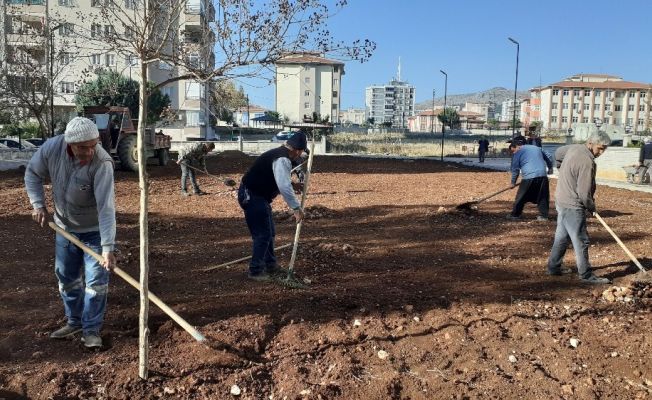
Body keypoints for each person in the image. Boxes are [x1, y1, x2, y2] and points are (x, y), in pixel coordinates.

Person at [24, 117, 116, 349]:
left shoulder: (102, 162)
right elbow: (32, 173)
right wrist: (38, 204)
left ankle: (91, 330)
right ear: (69, 144)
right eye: (83, 147)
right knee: (67, 279)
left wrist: (108, 248)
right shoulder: (52, 149)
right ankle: (74, 322)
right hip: (64, 229)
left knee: (96, 283)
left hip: (94, 231)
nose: (89, 151)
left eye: (94, 145)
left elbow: (107, 208)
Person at [238, 132, 307, 281]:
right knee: (263, 234)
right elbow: (283, 185)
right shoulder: (282, 159)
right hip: (252, 195)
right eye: (301, 153)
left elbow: (276, 177)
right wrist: (296, 208)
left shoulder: (280, 154)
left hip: (258, 196)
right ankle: (255, 270)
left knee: (269, 232)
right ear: (298, 150)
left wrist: (293, 184)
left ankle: (270, 264)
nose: (299, 157)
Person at [547, 131, 612, 284]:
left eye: (604, 149)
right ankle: (586, 275)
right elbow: (584, 192)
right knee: (581, 240)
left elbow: (558, 153)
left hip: (561, 200)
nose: (601, 152)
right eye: (600, 148)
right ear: (590, 143)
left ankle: (553, 267)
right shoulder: (587, 161)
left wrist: (562, 168)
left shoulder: (574, 148)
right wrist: (591, 206)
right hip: (572, 205)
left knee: (562, 236)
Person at [507, 136, 553, 221]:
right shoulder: (536, 148)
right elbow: (548, 158)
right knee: (542, 196)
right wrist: (550, 169)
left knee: (520, 196)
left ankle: (515, 215)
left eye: (513, 151)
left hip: (529, 177)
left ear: (516, 146)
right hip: (542, 175)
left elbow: (515, 170)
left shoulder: (518, 152)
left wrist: (513, 182)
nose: (513, 153)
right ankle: (543, 216)